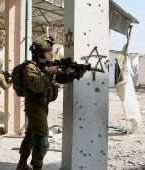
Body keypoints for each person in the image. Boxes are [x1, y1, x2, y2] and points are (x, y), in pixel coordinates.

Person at [16, 35, 86, 170]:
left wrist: (75, 74)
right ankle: (37, 166)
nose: (51, 53)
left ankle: (21, 164)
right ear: (39, 53)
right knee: (43, 140)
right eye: (48, 51)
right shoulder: (30, 68)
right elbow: (37, 86)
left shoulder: (47, 66)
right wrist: (48, 73)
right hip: (34, 106)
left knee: (31, 135)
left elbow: (60, 78)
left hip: (42, 105)